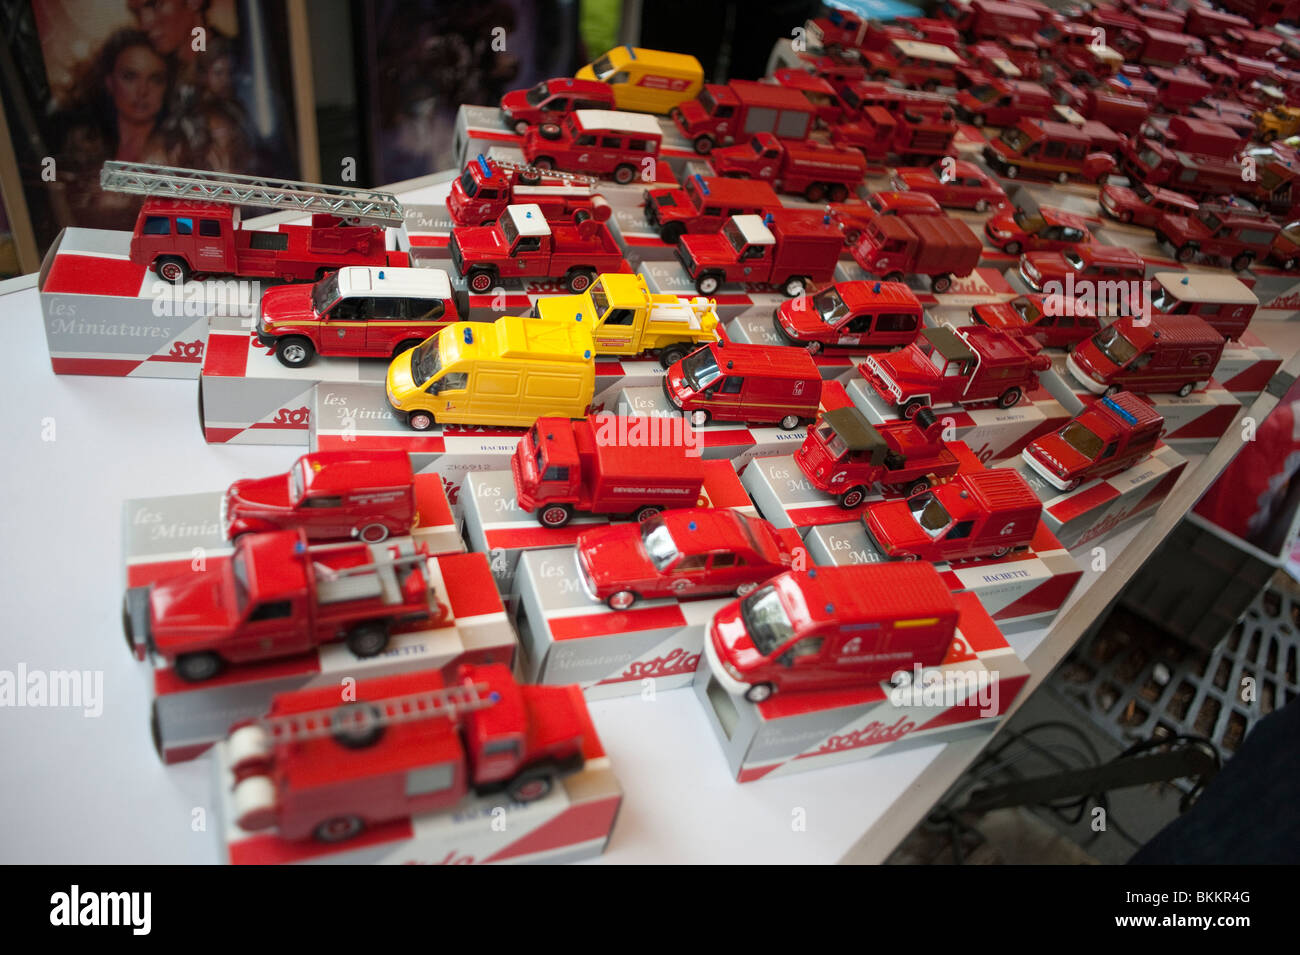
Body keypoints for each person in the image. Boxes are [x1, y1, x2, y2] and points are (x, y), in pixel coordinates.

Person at [56, 28, 180, 230]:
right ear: (110, 82)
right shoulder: (82, 145)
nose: (142, 91)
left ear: (166, 88)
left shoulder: (176, 152)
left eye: (155, 79)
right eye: (130, 76)